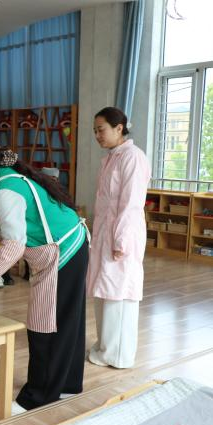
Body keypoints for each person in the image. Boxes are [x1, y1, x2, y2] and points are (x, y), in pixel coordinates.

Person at [0, 129, 89, 415]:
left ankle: (37, 397)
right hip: (71, 243)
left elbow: (13, 247)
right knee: (65, 320)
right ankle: (67, 384)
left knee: (45, 325)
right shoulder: (4, 177)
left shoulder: (5, 189)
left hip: (61, 252)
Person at [86, 107, 150, 369]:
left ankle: (118, 355)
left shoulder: (133, 157)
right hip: (105, 232)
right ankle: (105, 347)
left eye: (101, 130)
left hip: (123, 233)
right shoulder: (111, 158)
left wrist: (121, 239)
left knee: (119, 292)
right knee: (104, 289)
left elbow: (131, 203)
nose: (97, 135)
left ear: (119, 128)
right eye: (95, 131)